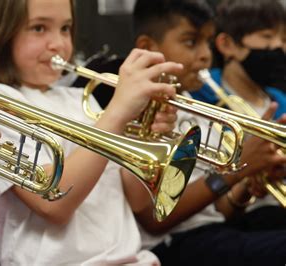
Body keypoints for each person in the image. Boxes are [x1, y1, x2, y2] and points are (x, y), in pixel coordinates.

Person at [0, 0, 185, 265]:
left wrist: (147, 136)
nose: (58, 43)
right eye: (39, 28)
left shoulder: (80, 98)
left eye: (65, 28)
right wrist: (117, 114)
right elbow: (53, 201)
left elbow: (137, 199)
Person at [121, 0, 286, 265]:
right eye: (190, 42)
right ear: (147, 48)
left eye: (207, 42)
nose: (205, 55)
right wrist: (239, 170)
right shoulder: (134, 110)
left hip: (215, 231)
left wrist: (251, 180)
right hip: (172, 243)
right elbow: (153, 217)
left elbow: (220, 208)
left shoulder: (196, 109)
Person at [190, 0, 286, 230]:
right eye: (266, 37)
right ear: (226, 44)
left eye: (283, 40)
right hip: (236, 219)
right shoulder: (200, 94)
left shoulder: (280, 100)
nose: (277, 47)